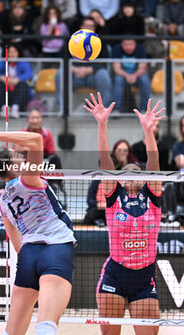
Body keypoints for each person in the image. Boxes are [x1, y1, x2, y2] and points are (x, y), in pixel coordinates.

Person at [0, 130, 76, 335]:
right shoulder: (30, 179)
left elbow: (17, 245)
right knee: (45, 327)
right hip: (56, 251)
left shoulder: (3, 200)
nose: (23, 157)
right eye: (18, 156)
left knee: (12, 332)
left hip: (28, 258)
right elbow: (36, 140)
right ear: (12, 167)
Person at [84, 91, 165, 335]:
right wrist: (102, 124)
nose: (131, 172)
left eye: (136, 170)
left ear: (143, 179)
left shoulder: (153, 199)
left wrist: (148, 131)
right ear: (120, 177)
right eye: (126, 170)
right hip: (114, 277)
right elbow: (104, 160)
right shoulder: (113, 198)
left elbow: (154, 165)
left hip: (144, 280)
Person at [0, 44, 33, 117]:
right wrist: (2, 78)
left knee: (23, 84)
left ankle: (15, 109)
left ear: (18, 53)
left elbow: (29, 73)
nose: (12, 54)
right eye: (10, 52)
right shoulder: (2, 62)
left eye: (14, 52)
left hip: (18, 92)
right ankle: (4, 108)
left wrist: (18, 79)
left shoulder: (23, 62)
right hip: (5, 91)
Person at [112, 38, 150, 112]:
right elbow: (116, 69)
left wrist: (134, 75)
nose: (128, 47)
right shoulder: (117, 49)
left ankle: (144, 110)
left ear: (135, 44)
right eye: (126, 44)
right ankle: (116, 109)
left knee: (145, 80)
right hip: (122, 76)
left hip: (137, 76)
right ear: (121, 44)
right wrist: (127, 75)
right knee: (118, 80)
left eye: (131, 44)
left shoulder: (140, 49)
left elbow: (143, 68)